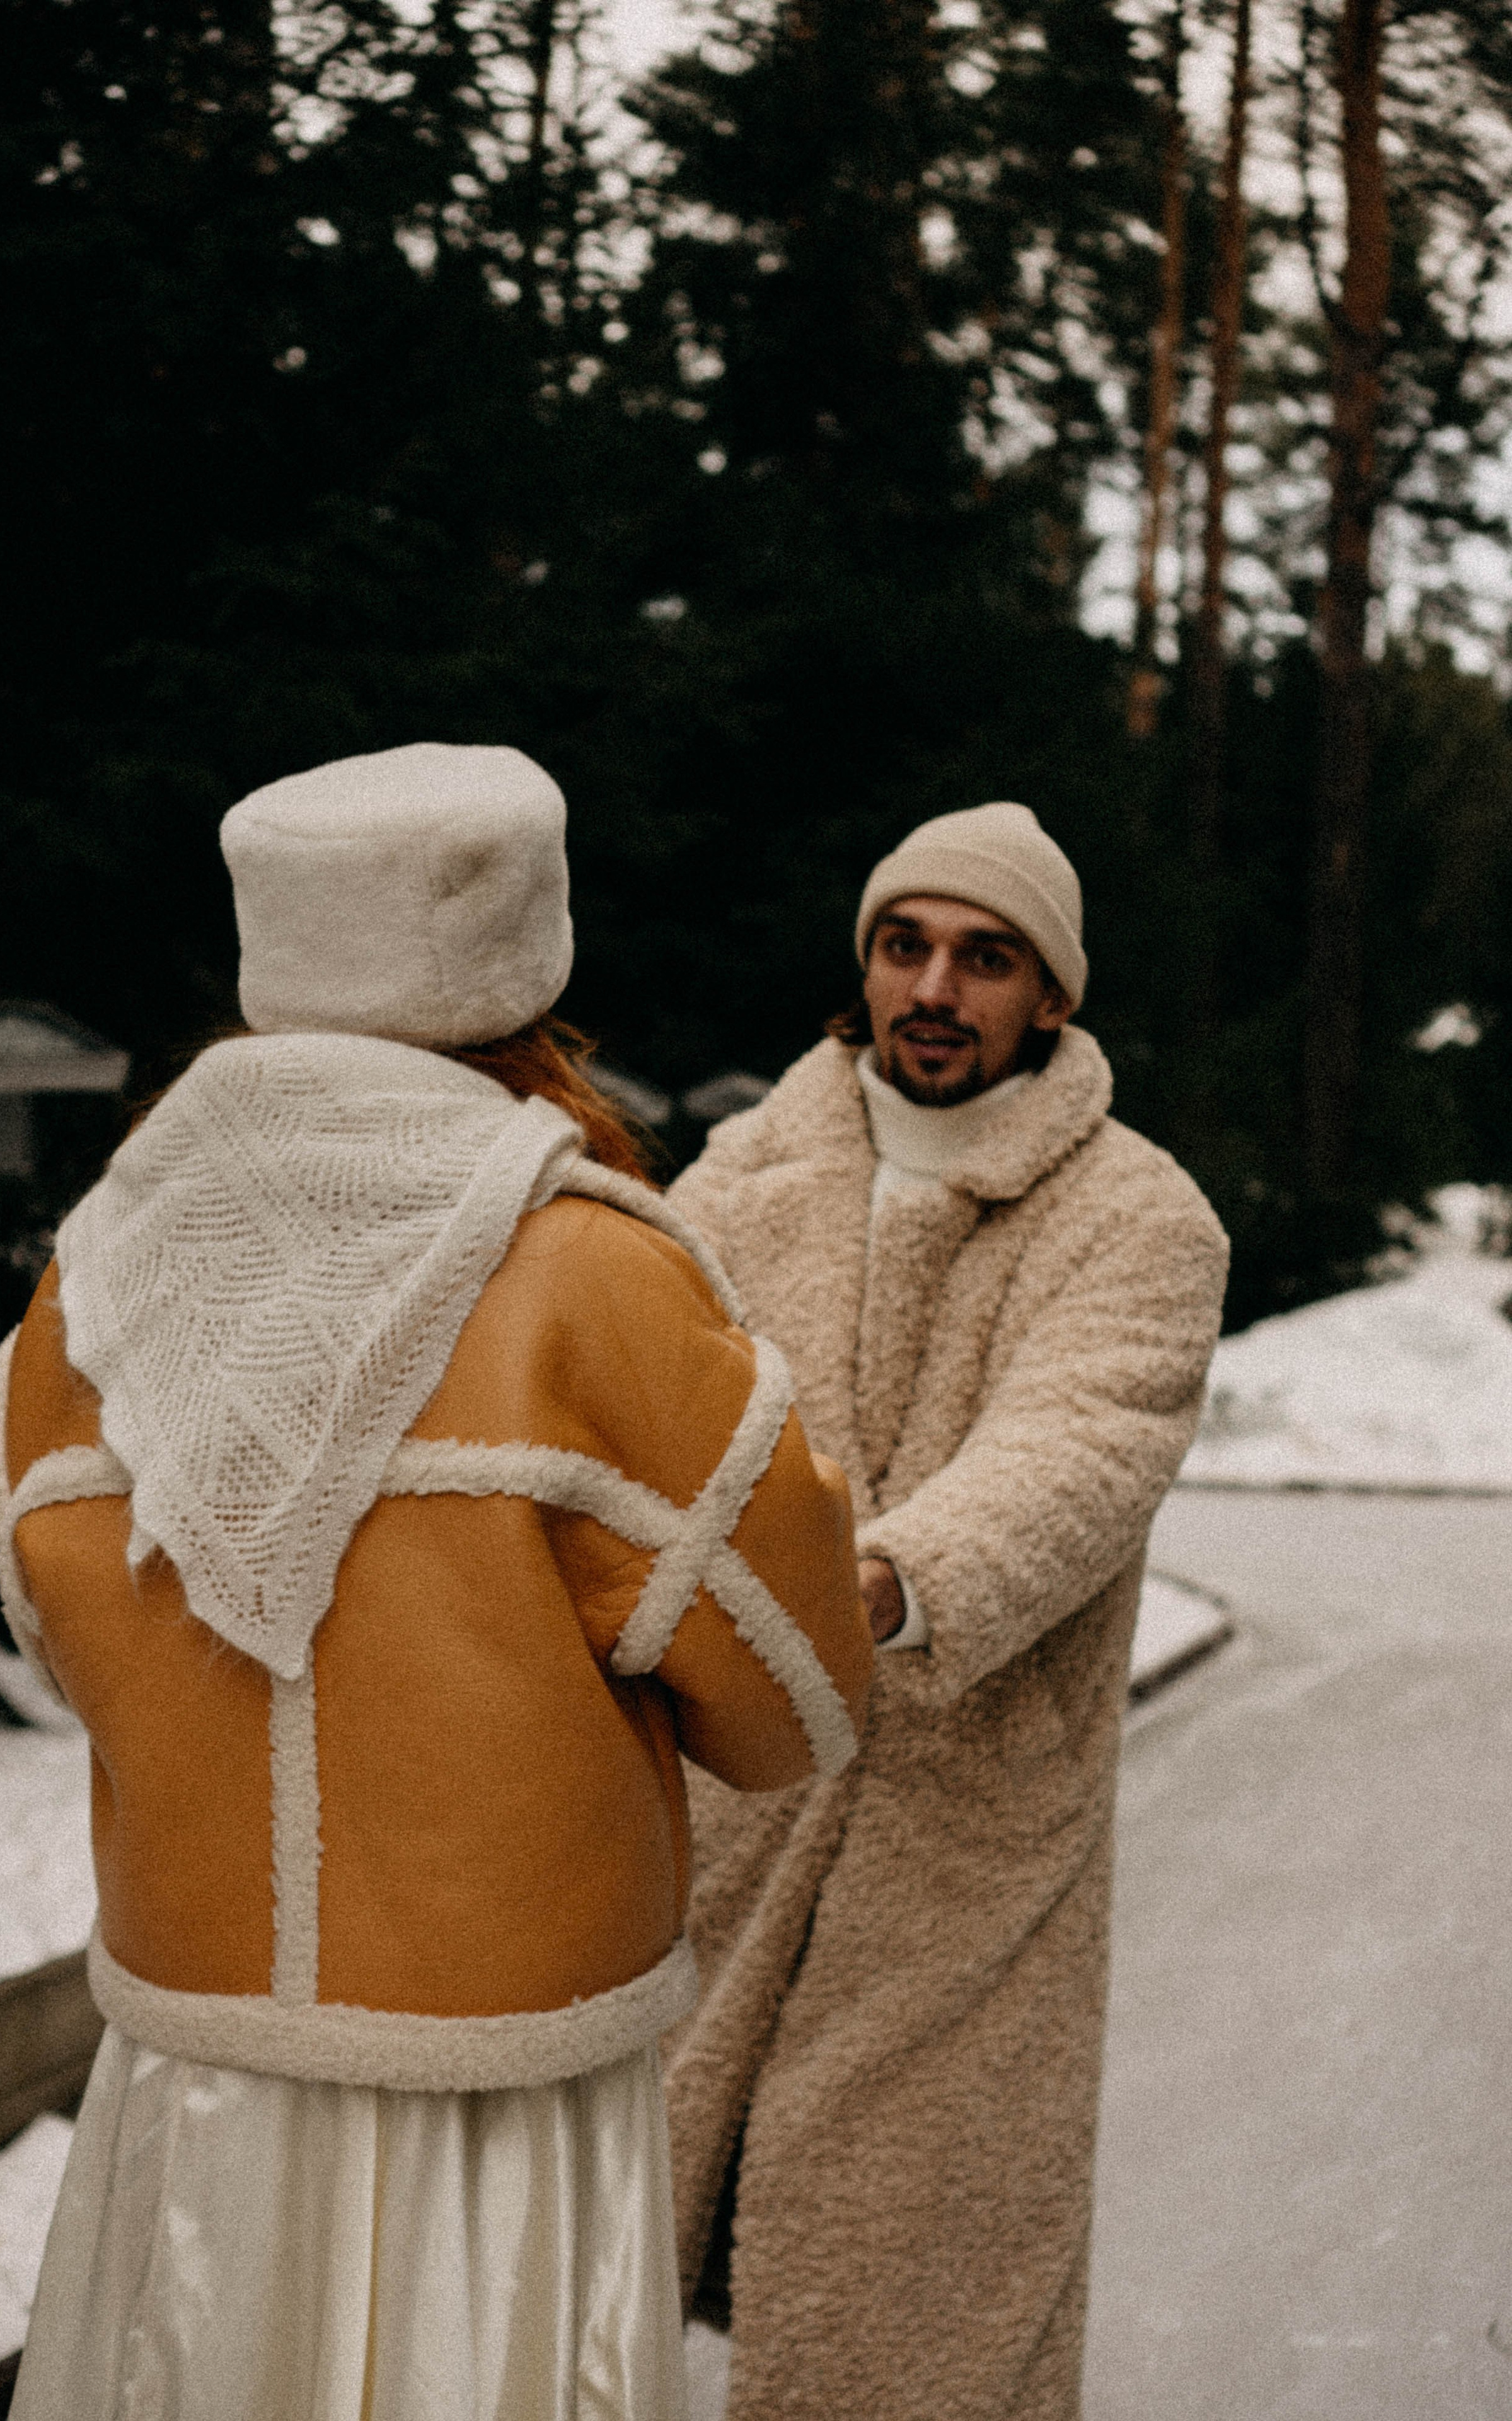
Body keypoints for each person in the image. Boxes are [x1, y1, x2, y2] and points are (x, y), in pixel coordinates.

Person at [0, 741, 872, 2421]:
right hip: (498, 2112)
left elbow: (63, 1632)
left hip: (197, 2080)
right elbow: (796, 1706)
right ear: (525, 961)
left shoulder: (85, 1292)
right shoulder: (599, 1271)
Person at [664, 800, 1229, 2420]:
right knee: (605, 2290)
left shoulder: (1138, 1217)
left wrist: (889, 1581)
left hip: (963, 1850)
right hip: (726, 1812)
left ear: (1048, 996)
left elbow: (1084, 1444)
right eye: (904, 946)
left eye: (985, 960)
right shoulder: (734, 1183)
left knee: (912, 2328)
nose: (935, 987)